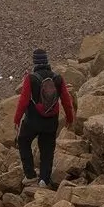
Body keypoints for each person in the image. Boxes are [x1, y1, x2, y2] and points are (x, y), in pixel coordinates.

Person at [13, 48, 76, 189]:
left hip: (32, 121)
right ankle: (44, 180)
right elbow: (66, 100)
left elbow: (23, 101)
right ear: (46, 60)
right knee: (47, 150)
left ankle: (30, 176)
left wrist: (17, 120)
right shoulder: (57, 78)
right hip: (51, 121)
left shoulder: (31, 78)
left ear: (35, 61)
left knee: (23, 141)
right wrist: (70, 118)